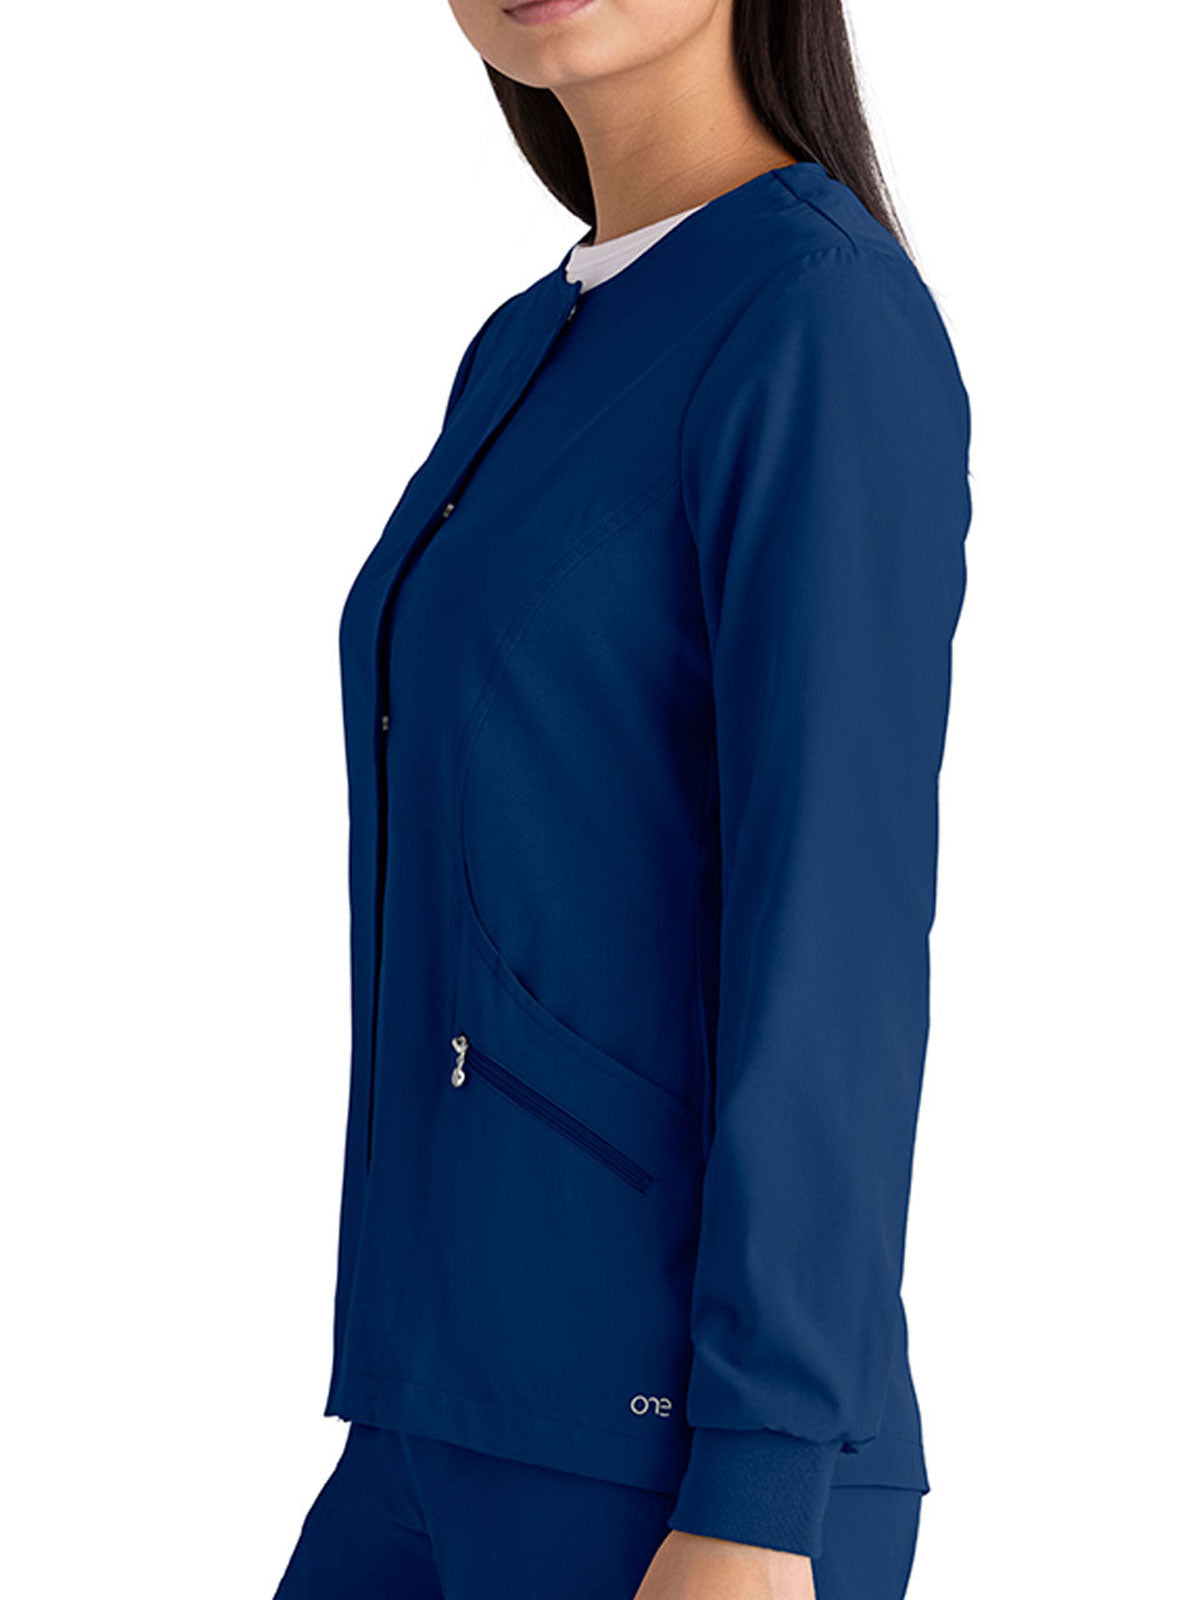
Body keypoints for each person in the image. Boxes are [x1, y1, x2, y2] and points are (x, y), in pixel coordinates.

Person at [272, 0, 972, 1595]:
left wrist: (760, 1489)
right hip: (430, 1409)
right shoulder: (529, 340)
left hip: (673, 1462)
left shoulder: (818, 320)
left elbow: (838, 935)